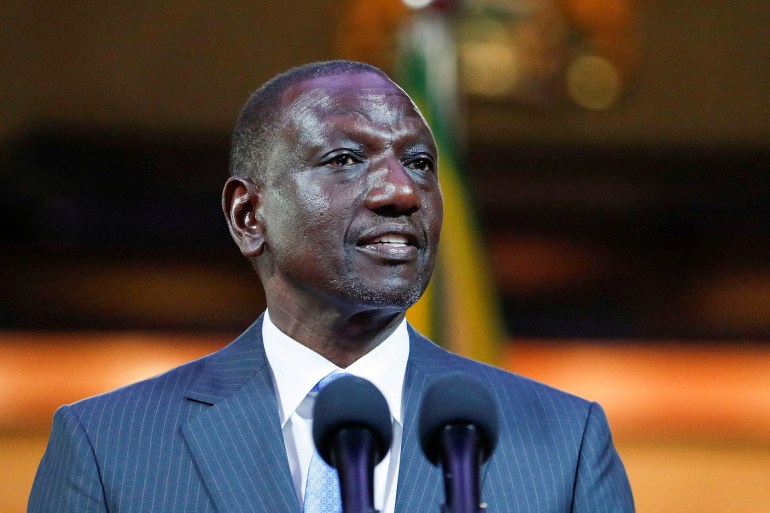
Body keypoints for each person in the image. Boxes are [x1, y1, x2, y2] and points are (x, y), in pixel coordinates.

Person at [29, 60, 634, 513]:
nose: (400, 192)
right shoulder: (109, 448)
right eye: (346, 158)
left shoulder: (563, 446)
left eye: (420, 163)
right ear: (248, 216)